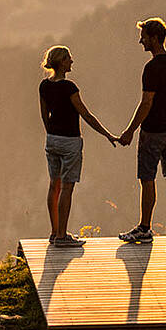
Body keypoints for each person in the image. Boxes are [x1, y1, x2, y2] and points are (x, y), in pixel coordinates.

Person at [116, 17, 166, 243]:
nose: (141, 41)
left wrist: (130, 131)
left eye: (144, 37)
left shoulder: (151, 68)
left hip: (152, 132)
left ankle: (144, 228)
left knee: (147, 178)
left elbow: (146, 102)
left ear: (154, 38)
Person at [39, 44, 117, 247]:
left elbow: (44, 115)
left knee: (53, 184)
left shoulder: (44, 86)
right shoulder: (69, 88)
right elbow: (86, 115)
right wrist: (107, 134)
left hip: (52, 140)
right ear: (62, 62)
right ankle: (63, 236)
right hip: (70, 141)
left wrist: (51, 134)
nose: (72, 61)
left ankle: (54, 232)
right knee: (67, 187)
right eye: (69, 59)